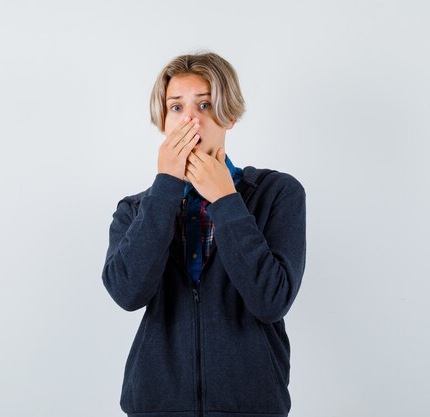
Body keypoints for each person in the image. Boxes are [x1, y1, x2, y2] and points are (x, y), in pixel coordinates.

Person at [101, 51, 307, 417]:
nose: (190, 120)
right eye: (176, 107)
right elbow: (128, 293)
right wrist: (165, 187)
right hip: (155, 404)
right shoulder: (135, 209)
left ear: (228, 114)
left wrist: (226, 199)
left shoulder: (277, 193)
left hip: (252, 404)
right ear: (163, 121)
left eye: (205, 104)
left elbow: (271, 301)